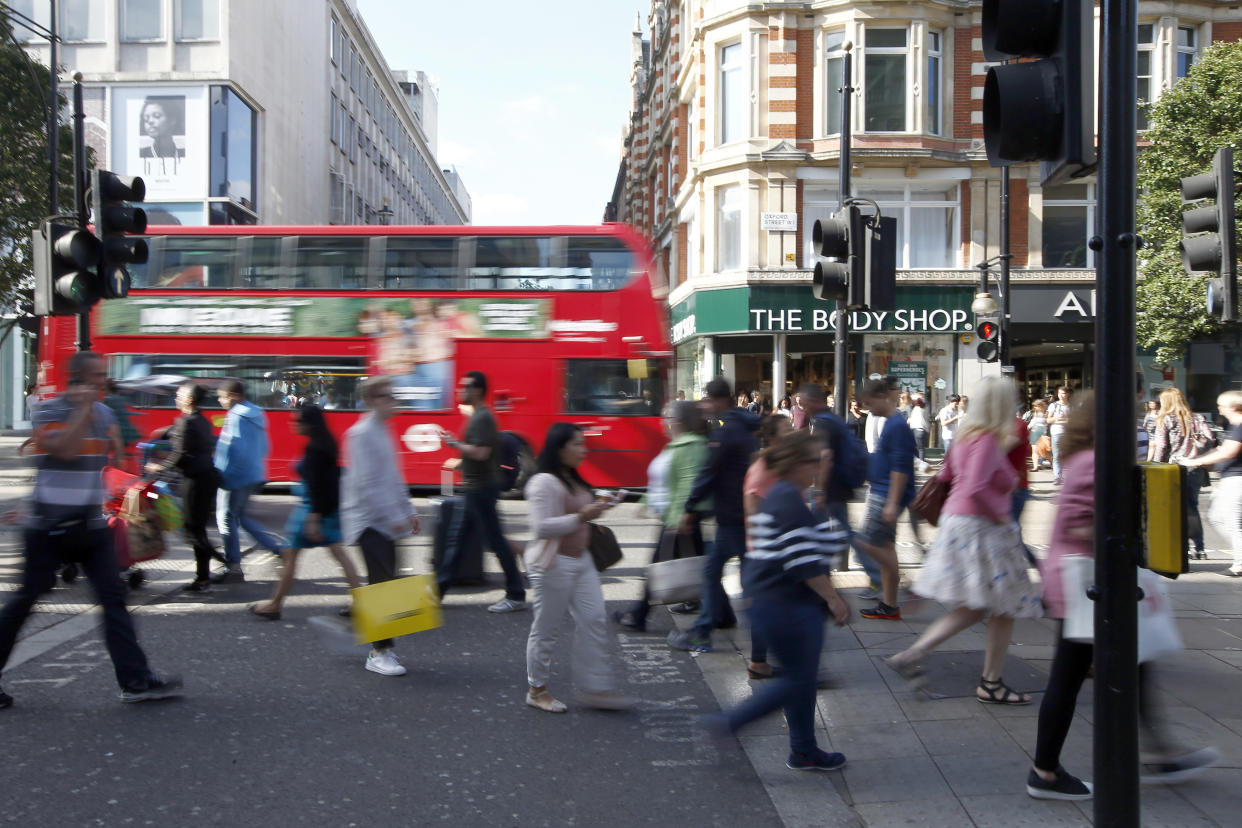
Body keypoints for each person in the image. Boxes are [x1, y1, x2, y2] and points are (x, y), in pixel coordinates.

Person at [1026, 392, 1219, 799]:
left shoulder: (1083, 459)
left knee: (1132, 664)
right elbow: (1088, 527)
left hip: (1077, 580)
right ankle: (1045, 772)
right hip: (1086, 584)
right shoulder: (1097, 462)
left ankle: (1158, 753)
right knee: (1071, 676)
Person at [0, 351, 181, 709]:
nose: (103, 381)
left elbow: (99, 464)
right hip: (47, 528)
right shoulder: (49, 410)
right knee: (25, 601)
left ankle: (135, 680)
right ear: (78, 378)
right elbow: (63, 451)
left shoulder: (105, 414)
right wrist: (82, 411)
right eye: (97, 376)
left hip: (91, 526)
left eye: (103, 375)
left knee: (113, 599)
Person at [701, 430, 851, 771]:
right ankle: (729, 723)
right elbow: (802, 562)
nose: (819, 466)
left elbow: (798, 547)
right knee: (799, 680)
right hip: (786, 605)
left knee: (803, 679)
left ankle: (803, 750)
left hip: (777, 602)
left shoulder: (786, 495)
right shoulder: (786, 497)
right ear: (798, 463)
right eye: (815, 460)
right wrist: (833, 598)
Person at [885, 376, 1042, 701]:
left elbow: (945, 476)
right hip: (983, 528)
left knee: (982, 605)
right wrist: (1001, 514)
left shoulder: (965, 436)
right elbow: (975, 487)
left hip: (962, 525)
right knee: (1004, 606)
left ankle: (917, 654)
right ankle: (989, 681)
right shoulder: (986, 440)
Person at [523, 423, 630, 712]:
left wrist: (603, 505)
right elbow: (541, 527)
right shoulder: (543, 482)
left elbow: (583, 511)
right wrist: (582, 516)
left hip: (582, 560)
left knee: (594, 619)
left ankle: (595, 687)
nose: (584, 450)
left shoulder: (572, 478)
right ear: (560, 448)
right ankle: (537, 689)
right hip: (553, 563)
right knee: (546, 629)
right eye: (578, 445)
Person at [667, 377, 760, 653]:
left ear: (719, 400)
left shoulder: (726, 433)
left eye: (707, 400)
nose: (704, 407)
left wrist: (689, 508)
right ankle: (750, 639)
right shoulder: (746, 425)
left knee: (718, 574)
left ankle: (703, 631)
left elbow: (709, 473)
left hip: (734, 517)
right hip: (745, 515)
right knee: (745, 580)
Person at [249, 404, 364, 620]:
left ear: (309, 424)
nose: (293, 423)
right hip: (325, 510)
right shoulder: (326, 443)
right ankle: (359, 601)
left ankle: (275, 604)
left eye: (297, 420)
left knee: (290, 556)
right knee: (339, 554)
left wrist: (314, 518)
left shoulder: (315, 450)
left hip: (311, 510)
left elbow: (317, 485)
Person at [340, 377, 421, 676]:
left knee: (391, 583)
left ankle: (378, 642)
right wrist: (393, 514)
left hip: (386, 520)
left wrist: (408, 509)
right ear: (373, 399)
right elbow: (367, 485)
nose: (393, 400)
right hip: (368, 521)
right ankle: (378, 652)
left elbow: (393, 476)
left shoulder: (383, 431)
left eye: (392, 395)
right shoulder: (360, 434)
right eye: (387, 396)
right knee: (383, 584)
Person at [615, 401, 709, 632]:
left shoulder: (692, 446)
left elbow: (689, 483)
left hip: (680, 518)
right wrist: (646, 501)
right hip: (676, 515)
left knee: (658, 567)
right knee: (703, 568)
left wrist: (682, 515)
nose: (663, 422)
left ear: (677, 421)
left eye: (666, 417)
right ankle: (723, 614)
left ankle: (637, 616)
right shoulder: (677, 445)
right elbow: (662, 481)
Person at [437, 371, 527, 612]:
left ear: (477, 390)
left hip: (482, 488)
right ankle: (438, 591)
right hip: (474, 487)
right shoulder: (477, 416)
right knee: (456, 540)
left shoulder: (483, 418)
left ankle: (516, 593)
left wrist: (454, 444)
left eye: (464, 386)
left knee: (495, 541)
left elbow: (481, 453)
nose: (459, 390)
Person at [145, 382, 218, 592]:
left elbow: (180, 454)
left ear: (189, 400)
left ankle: (212, 569)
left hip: (195, 480)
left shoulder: (186, 421)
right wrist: (167, 431)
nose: (176, 397)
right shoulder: (202, 420)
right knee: (196, 528)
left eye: (179, 395)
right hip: (206, 478)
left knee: (192, 529)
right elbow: (181, 436)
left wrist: (158, 467)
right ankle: (204, 575)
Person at [855, 378, 916, 620]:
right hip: (883, 491)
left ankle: (909, 588)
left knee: (863, 542)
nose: (868, 408)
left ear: (882, 396)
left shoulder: (897, 426)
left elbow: (900, 467)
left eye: (869, 403)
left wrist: (892, 503)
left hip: (884, 494)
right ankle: (890, 605)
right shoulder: (893, 423)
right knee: (885, 547)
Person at [213, 379, 284, 583]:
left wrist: (224, 474)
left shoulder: (235, 416)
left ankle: (234, 566)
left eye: (222, 397)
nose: (220, 401)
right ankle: (276, 548)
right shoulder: (256, 413)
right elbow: (265, 447)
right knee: (240, 516)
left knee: (226, 519)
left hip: (234, 477)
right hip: (254, 473)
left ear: (234, 397)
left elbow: (233, 449)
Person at [741, 414, 794, 679]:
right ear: (772, 437)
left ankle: (760, 662)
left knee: (775, 605)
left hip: (779, 546)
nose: (792, 431)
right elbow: (754, 512)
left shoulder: (778, 464)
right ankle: (763, 663)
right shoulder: (764, 469)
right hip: (769, 548)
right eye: (787, 429)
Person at [1182, 390, 1242, 576]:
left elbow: (1228, 452)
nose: (1219, 409)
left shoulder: (1240, 426)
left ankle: (1240, 563)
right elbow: (1222, 450)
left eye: (1221, 405)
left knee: (1232, 522)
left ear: (1232, 407)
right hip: (1230, 479)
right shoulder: (1234, 427)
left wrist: (1196, 461)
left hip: (1237, 479)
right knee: (1216, 517)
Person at [1149, 387, 1212, 560]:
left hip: (1174, 468)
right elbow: (1210, 441)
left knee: (1175, 509)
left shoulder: (1165, 419)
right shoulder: (1198, 418)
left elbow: (1161, 446)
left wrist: (1155, 466)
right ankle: (1199, 548)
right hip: (1196, 468)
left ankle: (1181, 548)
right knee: (1192, 507)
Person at [1046, 386, 1072, 485]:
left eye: (1063, 393)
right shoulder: (1053, 405)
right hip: (1056, 432)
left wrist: (1066, 419)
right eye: (1059, 393)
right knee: (1056, 455)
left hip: (1068, 433)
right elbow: (1048, 420)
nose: (1061, 395)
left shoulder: (1071, 406)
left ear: (1068, 395)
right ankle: (1058, 477)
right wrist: (1056, 418)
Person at [908, 395, 930, 473]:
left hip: (918, 429)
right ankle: (920, 464)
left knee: (919, 448)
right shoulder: (921, 408)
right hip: (919, 429)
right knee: (920, 448)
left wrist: (917, 397)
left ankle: (920, 465)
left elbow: (919, 402)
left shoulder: (920, 408)